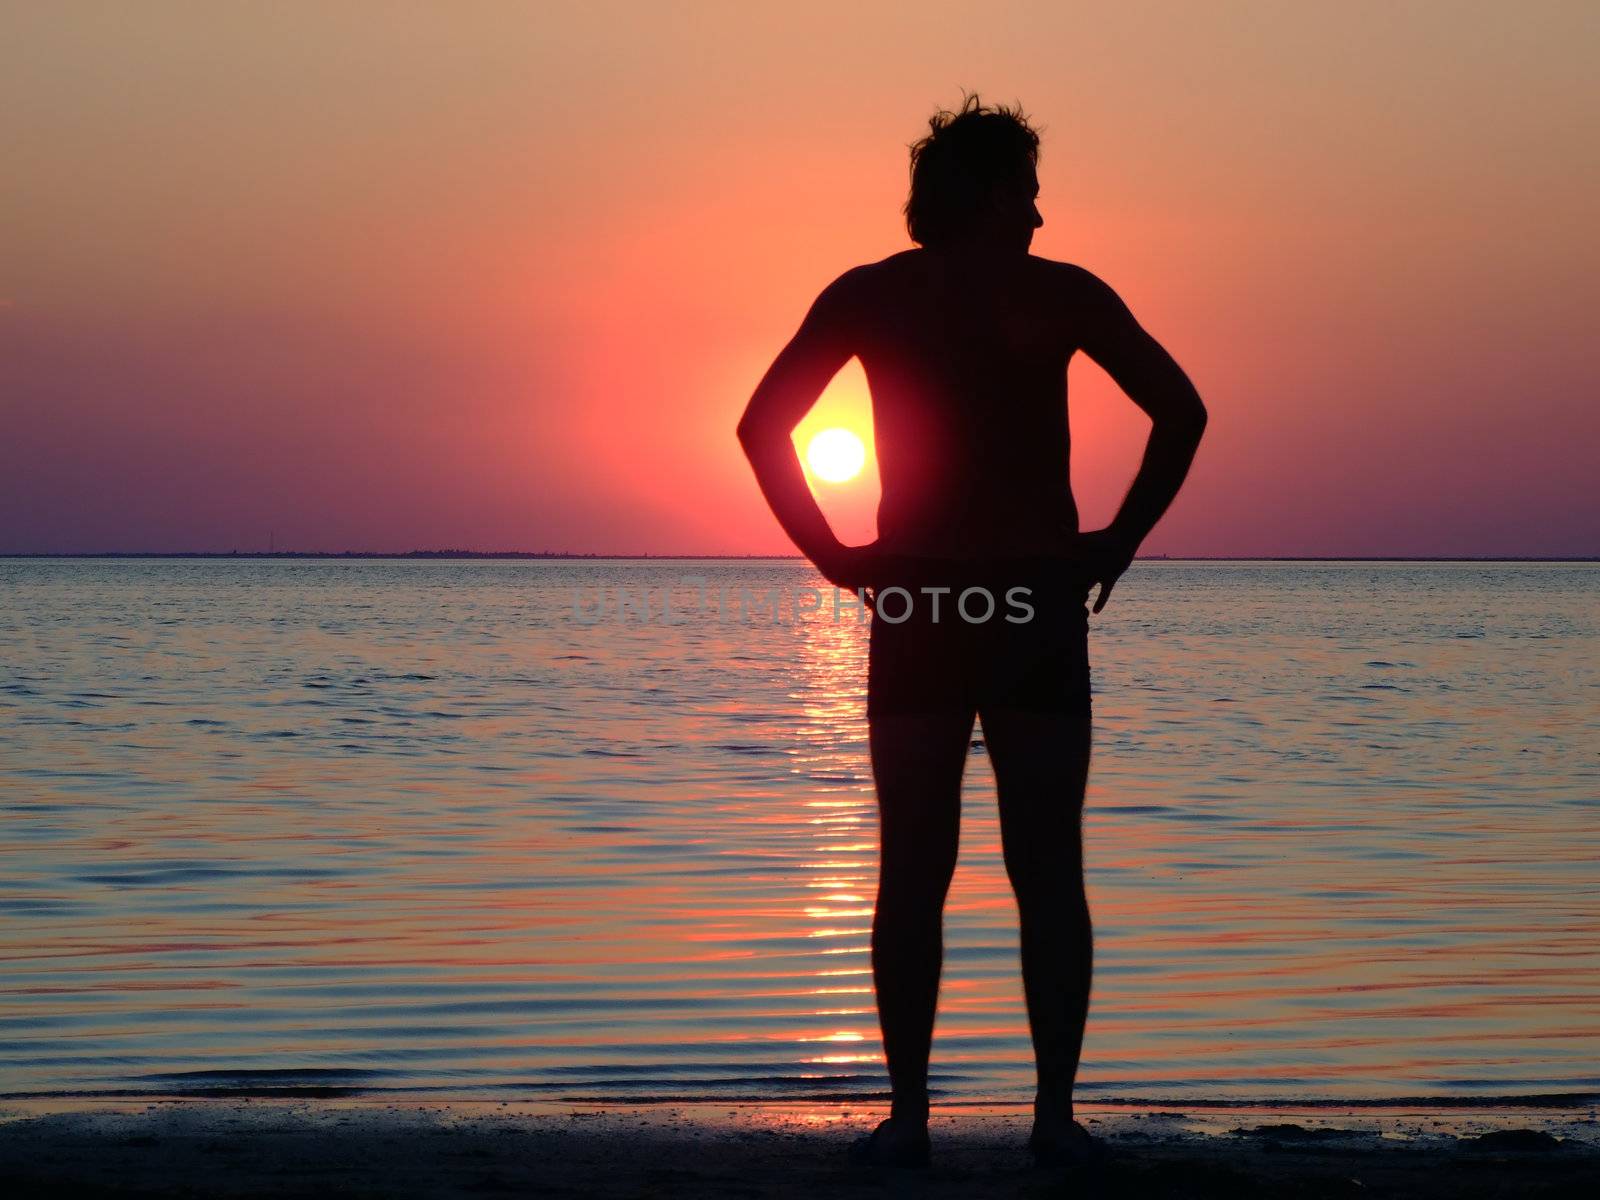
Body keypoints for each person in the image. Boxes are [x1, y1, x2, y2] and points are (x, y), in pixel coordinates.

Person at [736, 94, 1207, 1169]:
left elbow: (763, 428)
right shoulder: (1059, 295)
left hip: (921, 599)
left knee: (917, 867)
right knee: (1043, 868)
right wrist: (1117, 541)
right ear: (995, 193)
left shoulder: (873, 297)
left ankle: (911, 1121)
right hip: (1030, 598)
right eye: (1030, 191)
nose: (1041, 214)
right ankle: (1046, 1120)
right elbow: (1181, 411)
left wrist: (835, 556)